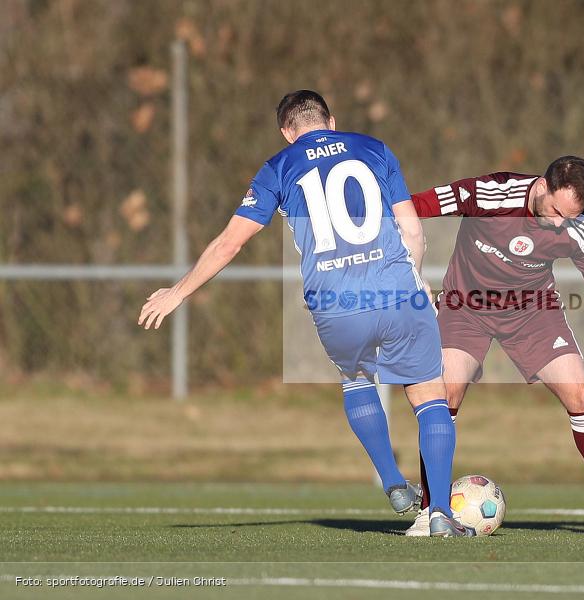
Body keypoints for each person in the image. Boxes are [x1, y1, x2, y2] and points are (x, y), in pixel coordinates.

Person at [138, 90, 472, 537]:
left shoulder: (278, 167)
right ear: (331, 120)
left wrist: (179, 292)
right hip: (397, 293)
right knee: (430, 396)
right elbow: (410, 226)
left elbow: (229, 243)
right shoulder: (375, 149)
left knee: (355, 378)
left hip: (335, 303)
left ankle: (392, 481)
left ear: (286, 131)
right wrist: (418, 281)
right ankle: (440, 517)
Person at [405, 156, 584, 537]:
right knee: (443, 395)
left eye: (571, 215)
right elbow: (415, 206)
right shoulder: (490, 193)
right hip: (465, 309)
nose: (561, 222)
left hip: (532, 313)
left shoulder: (578, 229)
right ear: (542, 185)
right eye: (557, 210)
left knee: (582, 397)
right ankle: (431, 511)